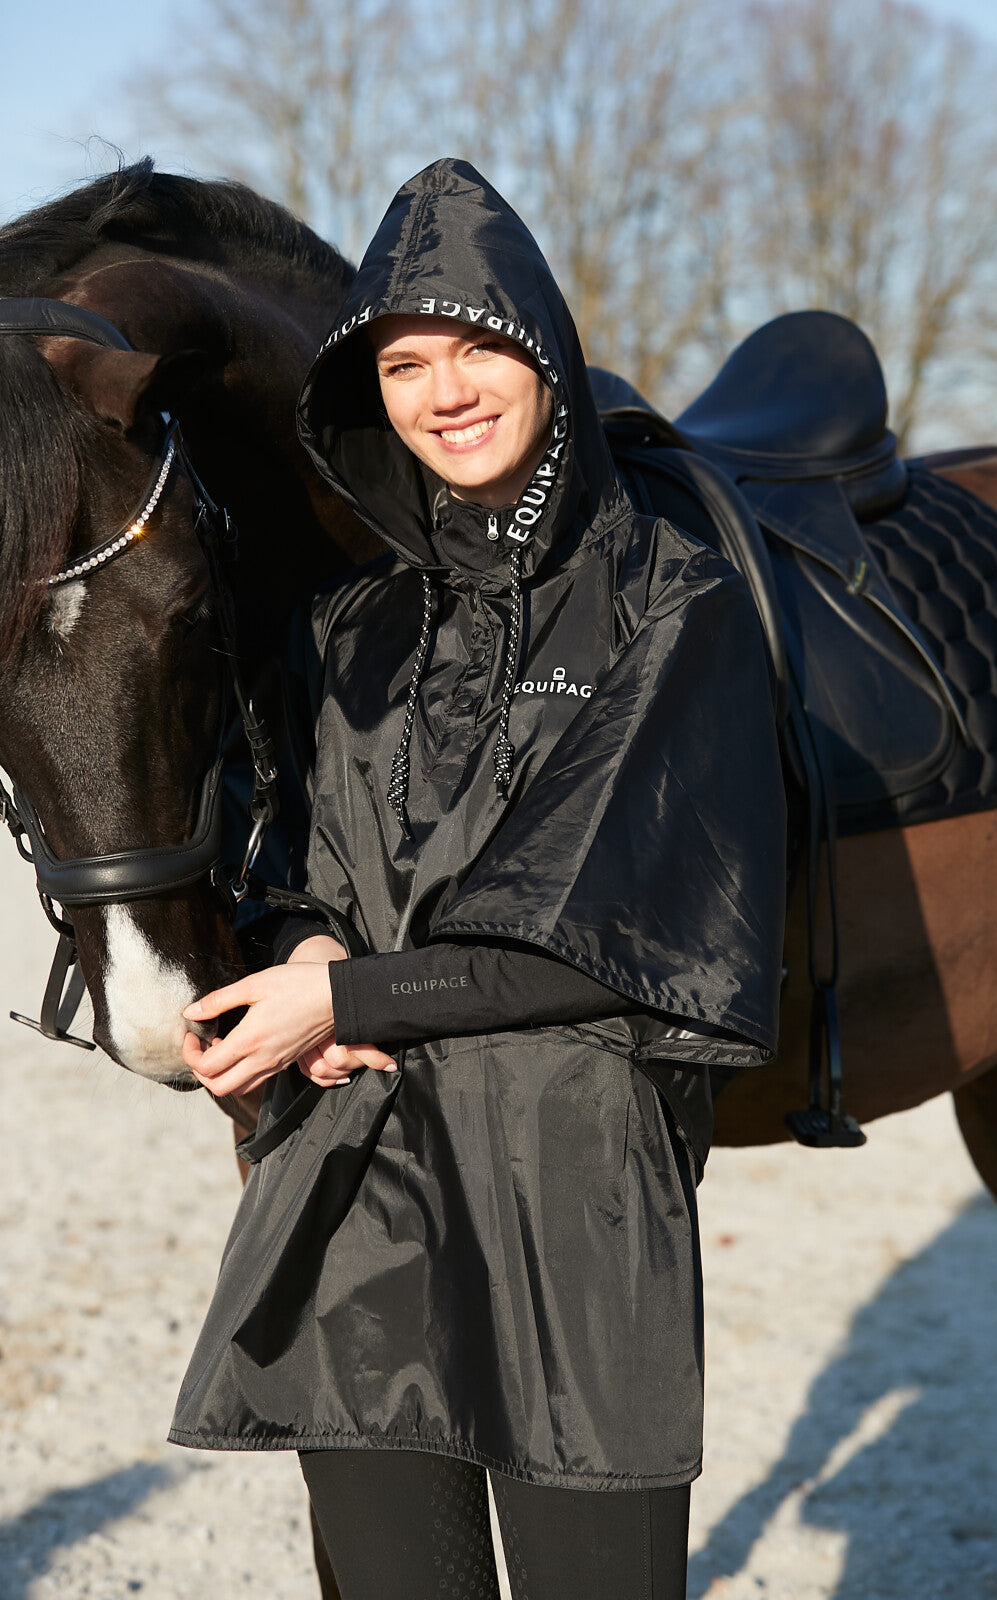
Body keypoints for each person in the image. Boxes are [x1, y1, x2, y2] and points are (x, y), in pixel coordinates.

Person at [170, 159, 787, 1600]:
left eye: (475, 347)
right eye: (404, 361)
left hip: (571, 1192)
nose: (444, 389)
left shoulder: (670, 602)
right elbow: (293, 862)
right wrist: (311, 945)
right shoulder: (349, 625)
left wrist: (345, 994)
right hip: (364, 1186)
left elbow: (626, 929)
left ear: (544, 354)